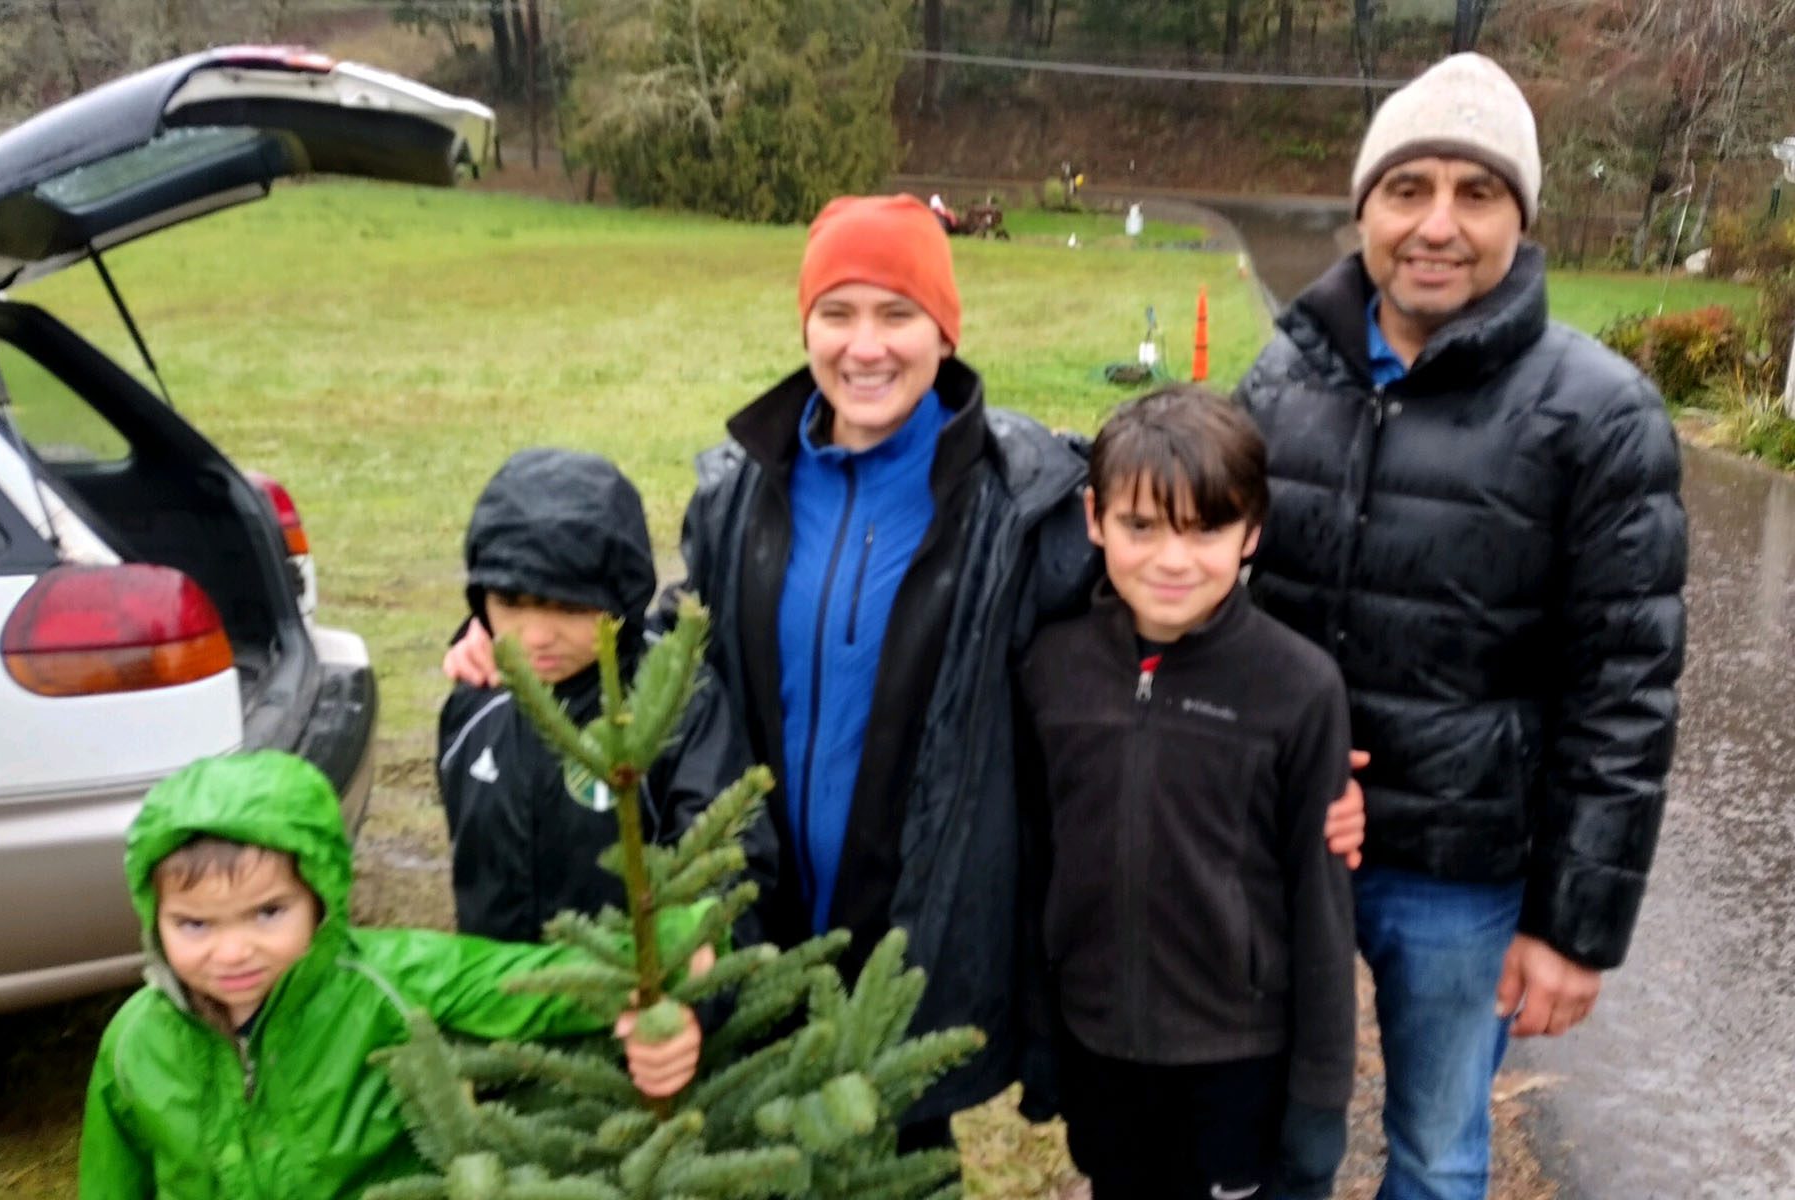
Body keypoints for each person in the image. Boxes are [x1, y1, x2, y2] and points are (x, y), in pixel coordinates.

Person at [445, 193, 1368, 1151]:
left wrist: (1305, 754)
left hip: (917, 940)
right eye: (837, 314)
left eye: (898, 314)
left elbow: (1174, 591)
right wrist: (499, 631)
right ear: (806, 325)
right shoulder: (736, 492)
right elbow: (672, 645)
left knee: (898, 1162)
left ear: (944, 330)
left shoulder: (1025, 500)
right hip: (765, 919)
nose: (866, 346)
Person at [1235, 53, 1687, 1200]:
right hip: (1287, 846)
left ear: (1519, 219)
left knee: (1437, 1158)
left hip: (1462, 875)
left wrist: (1576, 927)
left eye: (1475, 193)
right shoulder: (1282, 376)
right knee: (1271, 1138)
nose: (1438, 225)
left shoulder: (1601, 414)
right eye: (1408, 189)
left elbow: (1622, 693)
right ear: (1365, 208)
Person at [79, 751, 704, 1199]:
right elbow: (113, 1179)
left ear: (321, 896)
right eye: (195, 926)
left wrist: (682, 940)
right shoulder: (134, 1042)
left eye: (268, 912)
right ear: (152, 916)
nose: (232, 951)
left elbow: (530, 983)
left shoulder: (387, 982)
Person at [1018, 386, 1356, 1200]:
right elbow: (1032, 861)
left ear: (1253, 531)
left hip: (1235, 1059)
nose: (1172, 560)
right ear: (1094, 518)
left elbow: (1321, 903)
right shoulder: (1049, 670)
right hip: (1099, 1045)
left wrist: (1321, 1090)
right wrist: (1038, 1032)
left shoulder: (1298, 686)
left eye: (1205, 528)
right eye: (1141, 526)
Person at [436, 448, 764, 943]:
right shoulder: (477, 701)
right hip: (502, 1006)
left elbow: (729, 866)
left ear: (621, 595)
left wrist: (686, 981)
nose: (536, 636)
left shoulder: (675, 701)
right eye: (510, 603)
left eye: (568, 608)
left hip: (638, 1002)